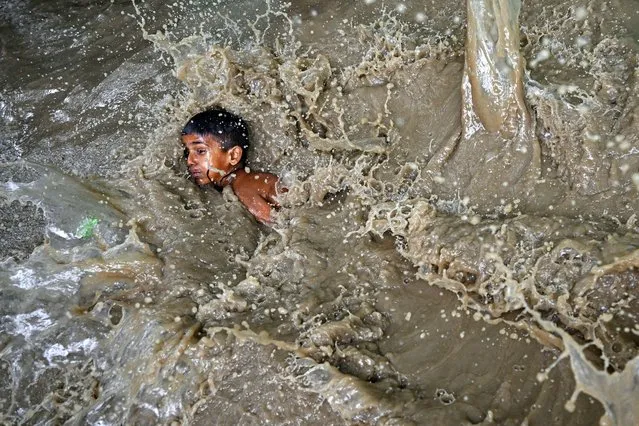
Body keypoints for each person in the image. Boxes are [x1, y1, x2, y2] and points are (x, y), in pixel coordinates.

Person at [181, 108, 283, 224]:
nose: (190, 161)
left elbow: (284, 227)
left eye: (200, 151)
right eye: (187, 152)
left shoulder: (246, 188)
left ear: (234, 156)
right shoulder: (231, 187)